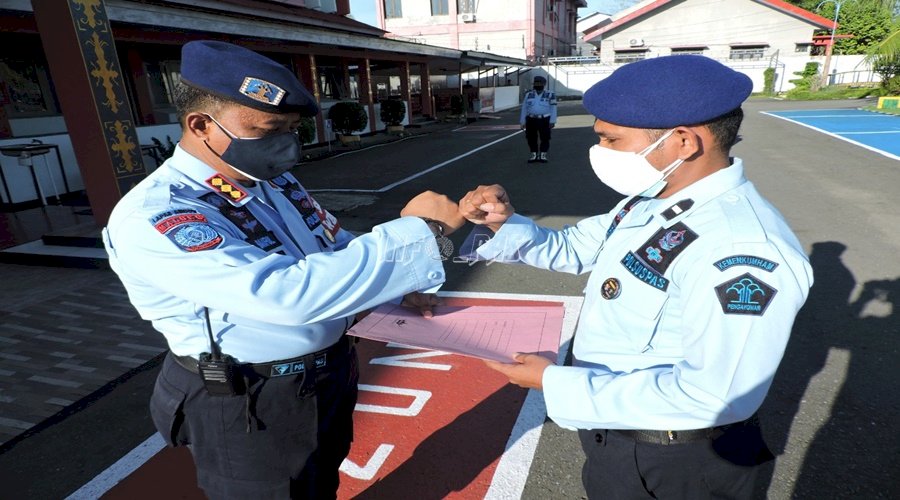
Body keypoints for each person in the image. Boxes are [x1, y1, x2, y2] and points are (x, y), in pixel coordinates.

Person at [102, 40, 465, 499]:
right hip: (250, 399)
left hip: (324, 377)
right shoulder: (160, 213)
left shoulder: (270, 182)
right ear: (201, 126)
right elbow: (283, 294)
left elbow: (332, 244)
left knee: (318, 480)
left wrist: (395, 289)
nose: (286, 143)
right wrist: (418, 232)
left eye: (292, 128)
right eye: (270, 128)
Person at [460, 55, 813, 499]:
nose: (599, 151)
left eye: (611, 139)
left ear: (683, 141)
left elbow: (715, 395)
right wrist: (501, 220)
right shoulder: (648, 200)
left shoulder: (742, 249)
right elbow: (571, 248)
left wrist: (555, 382)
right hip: (619, 432)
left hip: (677, 459)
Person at [519, 75, 557, 163]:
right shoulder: (529, 94)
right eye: (536, 83)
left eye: (540, 83)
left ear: (544, 84)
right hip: (531, 119)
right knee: (531, 137)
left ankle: (543, 155)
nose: (537, 85)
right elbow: (524, 108)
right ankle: (534, 154)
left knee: (545, 137)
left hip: (545, 119)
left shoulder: (550, 94)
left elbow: (553, 108)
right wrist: (522, 121)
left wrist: (552, 121)